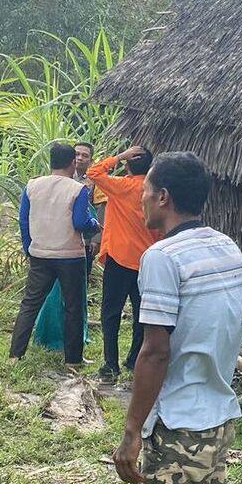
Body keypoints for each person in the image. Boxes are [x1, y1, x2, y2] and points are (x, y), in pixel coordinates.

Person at [112, 151, 242, 484]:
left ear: (164, 197)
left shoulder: (162, 258)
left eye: (146, 190)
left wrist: (132, 431)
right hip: (219, 416)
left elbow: (155, 351)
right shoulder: (227, 248)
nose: (142, 198)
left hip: (179, 427)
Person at [8, 143, 100, 371]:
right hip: (70, 255)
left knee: (30, 304)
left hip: (40, 253)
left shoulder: (32, 186)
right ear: (72, 163)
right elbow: (80, 223)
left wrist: (28, 247)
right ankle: (72, 360)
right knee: (73, 307)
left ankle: (15, 355)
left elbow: (24, 221)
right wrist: (96, 226)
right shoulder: (77, 189)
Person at [86, 145, 159, 382]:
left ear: (128, 165)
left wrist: (118, 157)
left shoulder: (121, 186)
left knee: (110, 313)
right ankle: (133, 360)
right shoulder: (154, 192)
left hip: (118, 259)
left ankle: (110, 365)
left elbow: (94, 173)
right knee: (142, 314)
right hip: (146, 262)